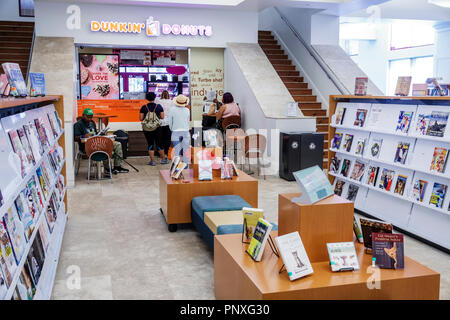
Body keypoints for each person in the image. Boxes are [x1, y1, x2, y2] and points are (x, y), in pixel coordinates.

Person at [73, 108, 129, 175]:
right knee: (104, 147)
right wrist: (84, 136)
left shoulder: (92, 123)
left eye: (91, 117)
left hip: (96, 142)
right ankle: (108, 169)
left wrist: (101, 134)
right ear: (83, 115)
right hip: (87, 147)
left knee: (117, 144)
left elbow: (95, 134)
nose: (90, 119)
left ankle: (118, 167)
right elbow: (75, 138)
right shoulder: (78, 125)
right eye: (88, 117)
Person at [140, 92, 167, 166]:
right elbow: (162, 117)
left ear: (147, 98)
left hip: (147, 128)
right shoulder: (159, 106)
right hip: (157, 128)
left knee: (150, 143)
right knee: (159, 143)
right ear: (154, 98)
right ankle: (163, 160)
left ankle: (152, 161)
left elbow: (141, 118)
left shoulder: (144, 107)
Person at [169, 94, 191, 164]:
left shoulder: (172, 110)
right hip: (186, 132)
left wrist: (172, 129)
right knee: (185, 150)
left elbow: (170, 122)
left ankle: (176, 167)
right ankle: (185, 165)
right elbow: (187, 121)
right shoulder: (187, 110)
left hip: (175, 132)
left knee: (177, 151)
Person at [155, 90, 174, 160]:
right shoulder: (172, 102)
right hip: (169, 123)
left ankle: (160, 153)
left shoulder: (158, 101)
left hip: (160, 123)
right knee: (167, 139)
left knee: (160, 138)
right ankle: (166, 153)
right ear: (168, 95)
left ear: (161, 95)